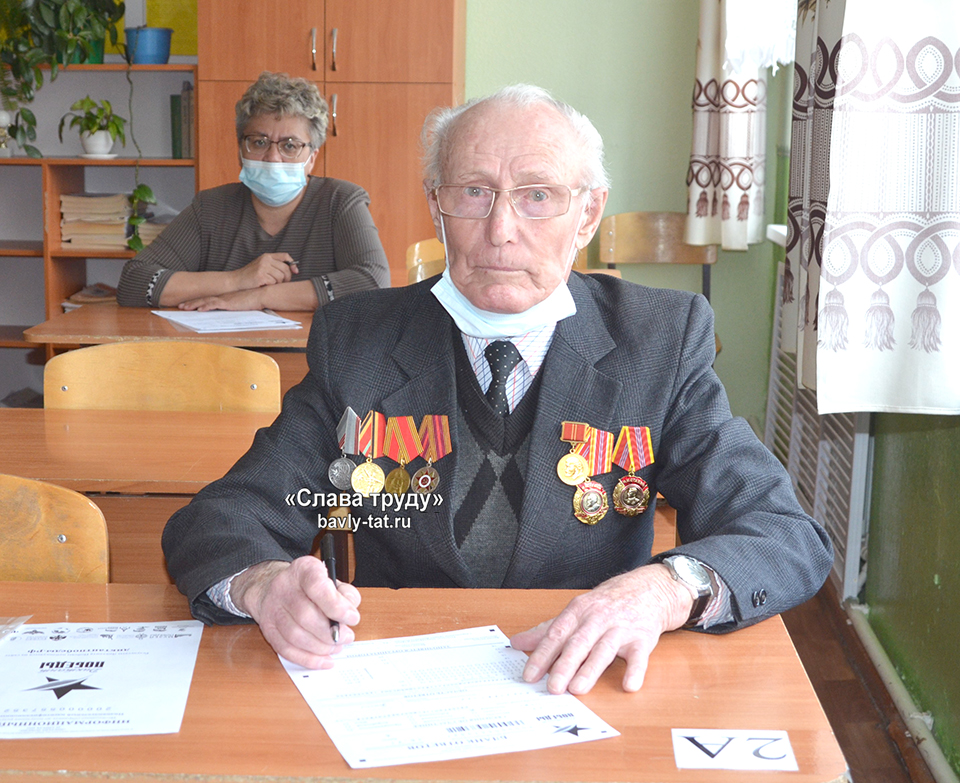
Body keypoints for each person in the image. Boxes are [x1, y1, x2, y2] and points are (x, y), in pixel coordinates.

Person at [162, 85, 833, 695]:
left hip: (585, 681)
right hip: (399, 682)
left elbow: (781, 532)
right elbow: (224, 516)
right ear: (436, 204)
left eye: (537, 195)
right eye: (473, 192)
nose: (501, 230)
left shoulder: (656, 339)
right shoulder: (360, 340)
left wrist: (662, 591)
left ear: (588, 214)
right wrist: (264, 584)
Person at [117, 71, 389, 311]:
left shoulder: (340, 201)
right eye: (259, 142)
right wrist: (237, 280)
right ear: (240, 149)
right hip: (225, 350)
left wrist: (260, 297)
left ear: (312, 158)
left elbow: (373, 281)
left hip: (311, 351)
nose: (273, 157)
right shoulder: (211, 208)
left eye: (290, 145)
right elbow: (134, 282)